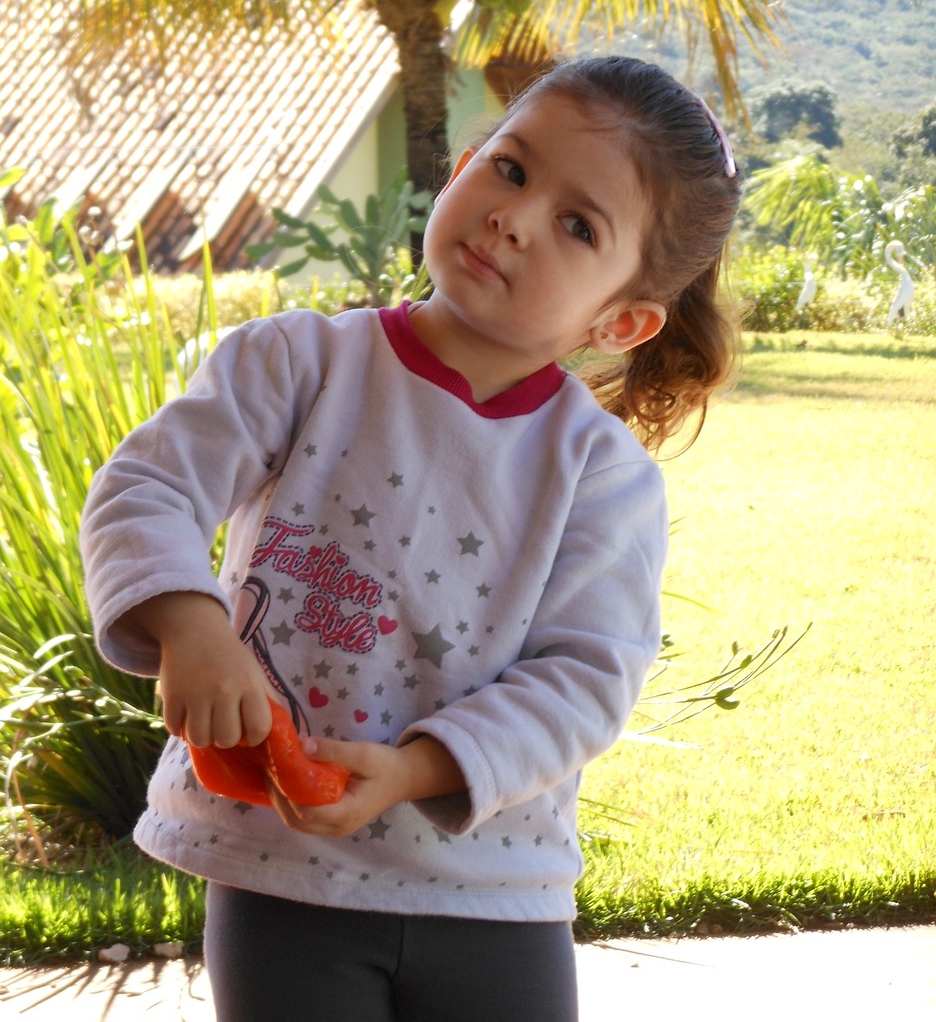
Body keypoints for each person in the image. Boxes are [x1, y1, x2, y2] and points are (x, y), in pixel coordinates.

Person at [81, 55, 742, 1022]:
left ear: (625, 319)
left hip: (494, 897)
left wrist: (418, 769)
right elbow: (146, 485)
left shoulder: (601, 476)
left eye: (578, 225)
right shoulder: (295, 365)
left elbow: (585, 679)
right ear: (463, 163)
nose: (514, 216)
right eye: (511, 169)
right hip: (283, 872)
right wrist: (190, 623)